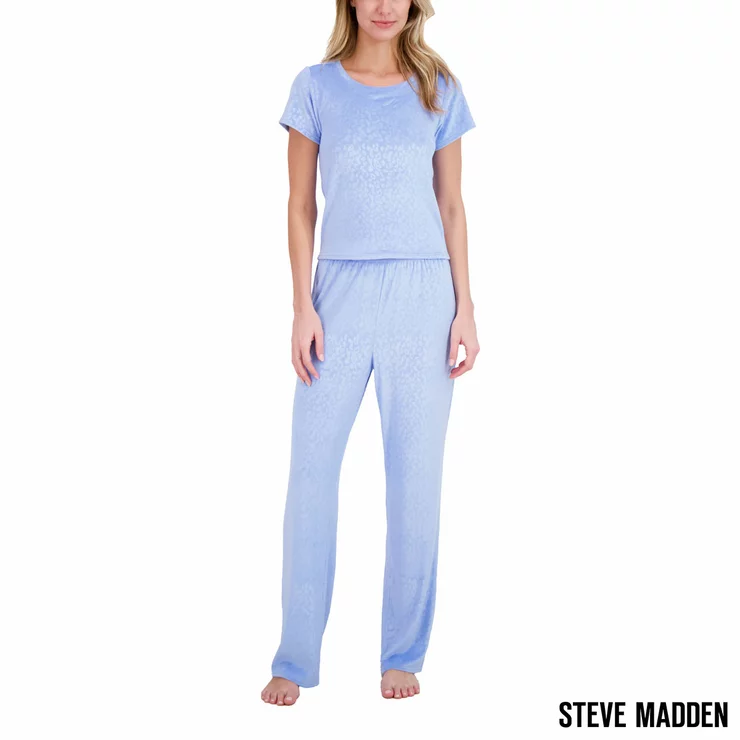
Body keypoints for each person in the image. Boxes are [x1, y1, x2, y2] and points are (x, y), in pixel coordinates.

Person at [262, 0, 480, 706]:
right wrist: (303, 307)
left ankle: (402, 654)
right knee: (310, 477)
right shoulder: (315, 87)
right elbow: (300, 206)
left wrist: (466, 308)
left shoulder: (438, 88)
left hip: (424, 296)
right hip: (338, 296)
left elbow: (452, 205)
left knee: (416, 481)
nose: (385, 5)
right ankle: (295, 657)